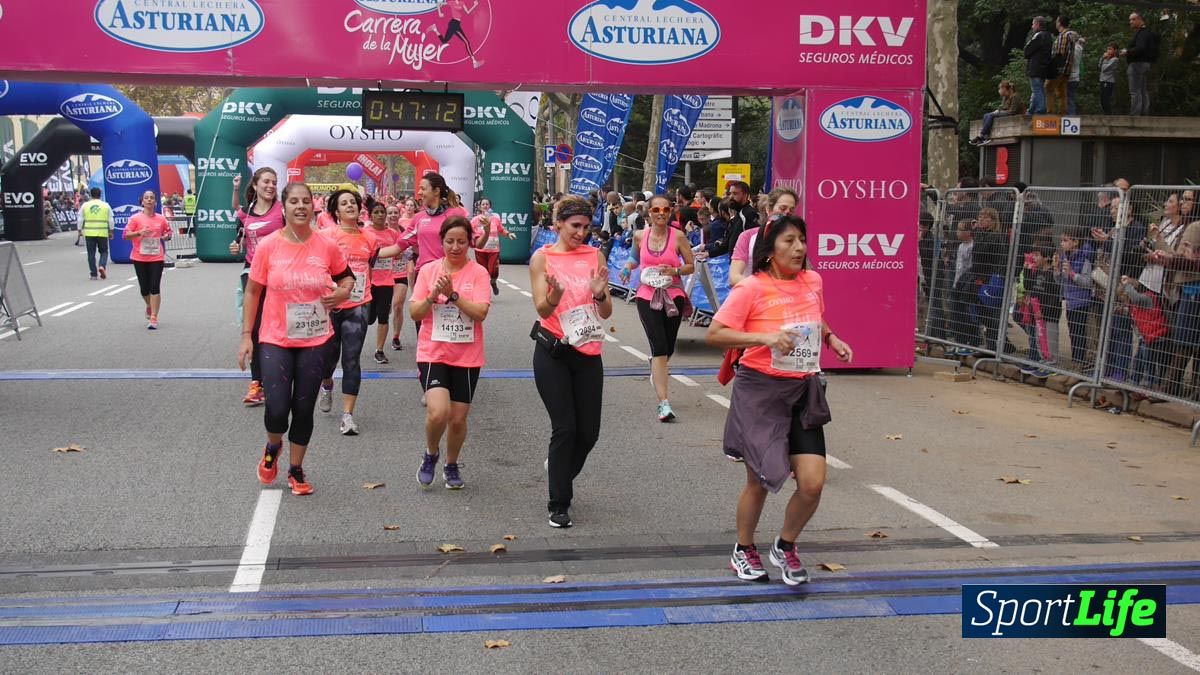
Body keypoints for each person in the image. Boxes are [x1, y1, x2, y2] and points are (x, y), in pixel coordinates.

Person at [706, 215, 853, 585]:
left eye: (802, 240)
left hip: (803, 389)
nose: (799, 248)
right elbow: (716, 334)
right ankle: (743, 549)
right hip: (760, 391)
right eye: (789, 241)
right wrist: (765, 339)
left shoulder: (813, 281)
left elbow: (816, 319)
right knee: (759, 479)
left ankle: (785, 545)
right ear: (770, 250)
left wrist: (832, 339)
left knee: (812, 482)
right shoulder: (751, 288)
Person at [238, 182, 354, 497]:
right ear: (284, 206)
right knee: (277, 409)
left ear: (311, 207)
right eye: (294, 202)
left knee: (303, 409)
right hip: (275, 337)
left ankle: (296, 469)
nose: (300, 206)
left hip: (316, 339)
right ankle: (273, 444)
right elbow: (252, 291)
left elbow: (347, 277)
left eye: (305, 201)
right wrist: (247, 336)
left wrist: (342, 293)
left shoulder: (326, 245)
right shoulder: (268, 246)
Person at [528, 195, 614, 528]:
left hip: (588, 350)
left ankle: (559, 469)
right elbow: (543, 309)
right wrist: (555, 294)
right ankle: (559, 502)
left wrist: (599, 293)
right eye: (574, 226)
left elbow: (605, 313)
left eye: (586, 227)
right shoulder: (542, 258)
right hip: (554, 351)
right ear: (558, 225)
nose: (581, 233)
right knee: (565, 428)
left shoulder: (595, 255)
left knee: (588, 433)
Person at [410, 216, 492, 489]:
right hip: (433, 351)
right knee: (438, 412)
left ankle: (451, 463)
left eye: (461, 241)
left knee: (458, 419)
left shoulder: (478, 273)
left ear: (470, 242)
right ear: (441, 242)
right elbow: (415, 312)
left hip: (467, 355)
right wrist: (433, 295)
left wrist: (453, 295)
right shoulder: (428, 271)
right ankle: (431, 454)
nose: (455, 247)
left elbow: (480, 313)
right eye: (450, 241)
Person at [317, 189, 403, 435]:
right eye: (344, 203)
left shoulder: (369, 238)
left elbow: (371, 264)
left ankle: (347, 415)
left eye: (353, 202)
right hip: (331, 304)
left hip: (359, 303)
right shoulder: (326, 236)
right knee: (327, 359)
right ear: (336, 210)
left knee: (351, 358)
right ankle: (327, 384)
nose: (350, 206)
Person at [618, 194, 696, 422]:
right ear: (649, 213)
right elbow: (634, 258)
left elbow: (691, 266)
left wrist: (675, 271)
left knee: (668, 348)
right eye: (656, 210)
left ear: (670, 212)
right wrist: (626, 269)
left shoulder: (679, 237)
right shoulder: (640, 235)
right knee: (659, 346)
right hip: (646, 296)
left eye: (665, 210)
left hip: (673, 296)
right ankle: (664, 403)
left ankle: (656, 365)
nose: (661, 213)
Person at [230, 168, 283, 407]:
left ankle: (281, 373)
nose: (271, 186)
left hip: (280, 275)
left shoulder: (282, 211)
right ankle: (257, 383)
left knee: (278, 326)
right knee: (254, 328)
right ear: (256, 184)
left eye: (274, 182)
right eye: (266, 182)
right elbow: (239, 240)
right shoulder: (246, 213)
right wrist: (234, 247)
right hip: (252, 272)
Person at [123, 190, 172, 330]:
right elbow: (125, 235)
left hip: (156, 257)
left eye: (152, 198)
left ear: (155, 201)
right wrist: (139, 233)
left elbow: (168, 233)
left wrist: (166, 237)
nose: (149, 200)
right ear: (142, 201)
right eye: (146, 198)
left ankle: (154, 317)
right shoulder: (135, 219)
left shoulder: (161, 219)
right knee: (144, 289)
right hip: (139, 257)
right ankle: (150, 305)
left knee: (154, 286)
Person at [729, 188, 798, 286]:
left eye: (791, 210)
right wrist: (764, 289)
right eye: (783, 208)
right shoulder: (748, 237)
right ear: (768, 210)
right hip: (754, 297)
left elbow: (804, 274)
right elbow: (734, 277)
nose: (787, 213)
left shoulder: (797, 239)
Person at [366, 201, 400, 364]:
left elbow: (399, 253)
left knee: (383, 317)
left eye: (382, 212)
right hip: (368, 282)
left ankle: (379, 350)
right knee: (368, 318)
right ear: (370, 215)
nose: (380, 215)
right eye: (376, 212)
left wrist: (392, 254)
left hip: (386, 281)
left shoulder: (392, 233)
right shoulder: (365, 232)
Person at [1057, 226, 1095, 367]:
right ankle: (1076, 361)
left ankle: (1080, 362)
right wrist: (1057, 270)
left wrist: (1072, 274)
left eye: (1065, 240)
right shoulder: (1065, 257)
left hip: (1081, 301)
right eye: (1061, 240)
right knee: (1072, 332)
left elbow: (1087, 281)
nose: (1062, 243)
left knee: (1079, 333)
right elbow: (1060, 280)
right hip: (1070, 300)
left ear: (1075, 242)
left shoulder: (1084, 258)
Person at [472, 196, 515, 295]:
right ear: (480, 207)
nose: (485, 206)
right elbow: (469, 231)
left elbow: (501, 230)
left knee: (493, 272)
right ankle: (485, 293)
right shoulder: (475, 220)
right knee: (483, 273)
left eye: (487, 204)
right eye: (483, 204)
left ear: (490, 206)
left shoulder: (495, 219)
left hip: (494, 251)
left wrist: (509, 234)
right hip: (480, 251)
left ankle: (493, 283)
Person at [388, 202, 416, 351]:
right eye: (390, 213)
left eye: (395, 213)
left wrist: (404, 255)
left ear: (399, 215)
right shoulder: (378, 232)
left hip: (399, 274)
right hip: (382, 276)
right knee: (384, 310)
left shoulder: (404, 232)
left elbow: (410, 252)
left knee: (398, 305)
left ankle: (396, 336)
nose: (393, 215)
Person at [426, 0, 484, 68]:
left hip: (456, 24)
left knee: (444, 41)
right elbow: (439, 3)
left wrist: (474, 5)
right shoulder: (451, 2)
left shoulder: (462, 3)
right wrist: (440, 13)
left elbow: (468, 12)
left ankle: (434, 29)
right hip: (454, 24)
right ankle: (474, 62)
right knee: (466, 42)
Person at [1121, 12, 1157, 116]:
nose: (1130, 22)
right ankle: (1144, 113)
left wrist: (1127, 52)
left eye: (1133, 19)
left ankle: (1135, 115)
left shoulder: (1142, 33)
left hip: (1137, 64)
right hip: (1145, 64)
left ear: (1140, 19)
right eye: (1130, 20)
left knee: (1135, 91)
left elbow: (1140, 48)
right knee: (1142, 90)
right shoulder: (1146, 33)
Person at [970, 81, 1025, 146]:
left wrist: (999, 112)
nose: (999, 91)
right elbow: (1002, 107)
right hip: (1007, 113)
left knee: (991, 115)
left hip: (1014, 115)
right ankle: (985, 137)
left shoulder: (1015, 96)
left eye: (1000, 88)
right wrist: (997, 111)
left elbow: (1012, 111)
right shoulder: (1005, 97)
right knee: (986, 115)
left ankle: (982, 136)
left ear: (1004, 89)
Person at [1046, 16, 1080, 115]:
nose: (1055, 23)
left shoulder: (1063, 36)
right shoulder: (1071, 36)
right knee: (1062, 92)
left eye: (1056, 21)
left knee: (1048, 88)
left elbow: (1060, 54)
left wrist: (1052, 67)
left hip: (1059, 68)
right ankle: (1063, 113)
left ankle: (1050, 111)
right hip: (1067, 70)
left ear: (1059, 23)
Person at [78, 187, 113, 281]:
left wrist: (79, 230)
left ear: (90, 194)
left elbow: (80, 218)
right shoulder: (106, 205)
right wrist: (111, 231)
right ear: (100, 194)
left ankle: (93, 274)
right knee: (104, 251)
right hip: (102, 233)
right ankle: (102, 266)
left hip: (89, 233)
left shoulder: (85, 205)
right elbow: (111, 220)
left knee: (91, 254)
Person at [1024, 16, 1054, 115]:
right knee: (1037, 90)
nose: (1032, 26)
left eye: (1033, 24)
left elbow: (1027, 51)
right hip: (1044, 67)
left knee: (1037, 90)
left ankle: (1041, 109)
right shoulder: (1049, 36)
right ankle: (1031, 110)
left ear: (1037, 24)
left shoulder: (1038, 36)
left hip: (1036, 68)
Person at [1099, 43, 1119, 114]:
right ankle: (1106, 114)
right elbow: (1099, 65)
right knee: (1102, 100)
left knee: (1106, 99)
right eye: (1107, 49)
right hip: (1102, 80)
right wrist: (1102, 58)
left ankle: (1109, 115)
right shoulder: (1106, 58)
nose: (1108, 51)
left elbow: (1104, 68)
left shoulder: (1115, 59)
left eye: (1110, 49)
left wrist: (1105, 59)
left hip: (1108, 81)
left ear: (1115, 50)